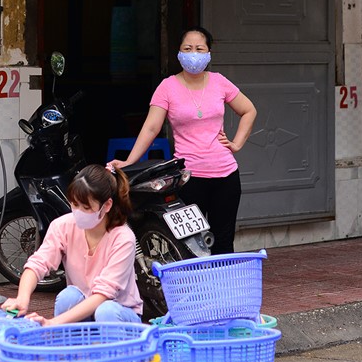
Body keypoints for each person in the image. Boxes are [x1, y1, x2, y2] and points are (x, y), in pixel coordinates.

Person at [110, 26, 257, 255]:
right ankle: (196, 290)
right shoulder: (167, 87)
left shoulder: (219, 82)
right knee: (190, 245)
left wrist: (236, 144)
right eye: (188, 48)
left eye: (200, 48)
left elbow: (249, 110)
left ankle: (219, 290)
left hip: (226, 176)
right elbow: (151, 127)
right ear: (178, 53)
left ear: (209, 53)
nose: (194, 54)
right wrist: (129, 161)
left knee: (223, 242)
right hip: (189, 179)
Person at [2, 164, 143, 326]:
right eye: (74, 205)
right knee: (68, 296)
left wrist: (53, 323)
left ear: (107, 205)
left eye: (86, 207)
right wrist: (22, 298)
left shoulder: (123, 238)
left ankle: (114, 350)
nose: (78, 212)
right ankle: (69, 347)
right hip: (85, 309)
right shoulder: (62, 226)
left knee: (106, 310)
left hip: (119, 313)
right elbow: (37, 264)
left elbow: (103, 294)